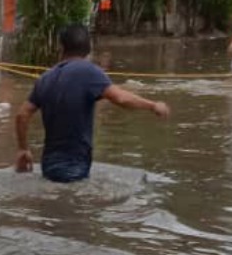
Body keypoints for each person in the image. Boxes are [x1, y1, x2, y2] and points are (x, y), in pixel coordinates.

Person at [14, 24, 170, 183]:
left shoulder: (45, 78)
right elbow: (121, 98)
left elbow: (22, 115)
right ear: (88, 48)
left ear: (61, 48)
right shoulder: (89, 72)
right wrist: (152, 105)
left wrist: (23, 149)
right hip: (75, 165)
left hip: (48, 165)